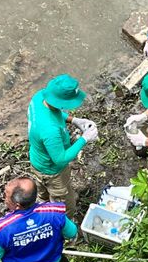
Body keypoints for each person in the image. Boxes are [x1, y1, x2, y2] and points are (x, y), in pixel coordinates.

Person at [28, 74, 98, 218]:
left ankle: (43, 205)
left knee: (43, 193)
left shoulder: (39, 97)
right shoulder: (50, 130)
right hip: (53, 171)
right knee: (64, 204)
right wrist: (84, 139)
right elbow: (60, 159)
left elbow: (54, 112)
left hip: (37, 161)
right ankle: (64, 228)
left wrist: (73, 120)